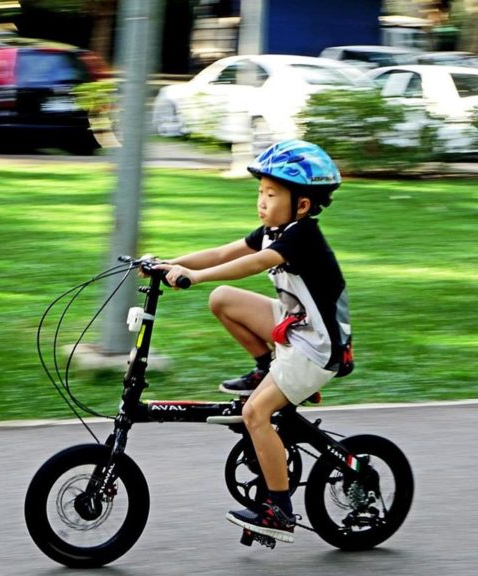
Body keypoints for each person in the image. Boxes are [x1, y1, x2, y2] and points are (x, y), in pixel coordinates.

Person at [155, 139, 352, 543]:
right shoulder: (273, 230)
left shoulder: (301, 237)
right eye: (260, 192)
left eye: (271, 194)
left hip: (315, 348)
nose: (261, 201)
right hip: (294, 326)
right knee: (223, 299)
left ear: (301, 204)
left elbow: (254, 263)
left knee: (255, 415)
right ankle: (266, 368)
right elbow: (226, 251)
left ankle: (278, 509)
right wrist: (171, 262)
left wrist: (192, 277)